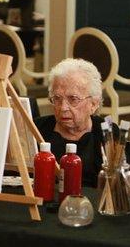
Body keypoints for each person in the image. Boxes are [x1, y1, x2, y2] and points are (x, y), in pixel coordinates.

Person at [34, 58, 117, 187]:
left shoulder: (107, 132)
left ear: (93, 104)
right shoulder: (37, 128)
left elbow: (115, 186)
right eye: (57, 98)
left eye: (73, 99)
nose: (63, 108)